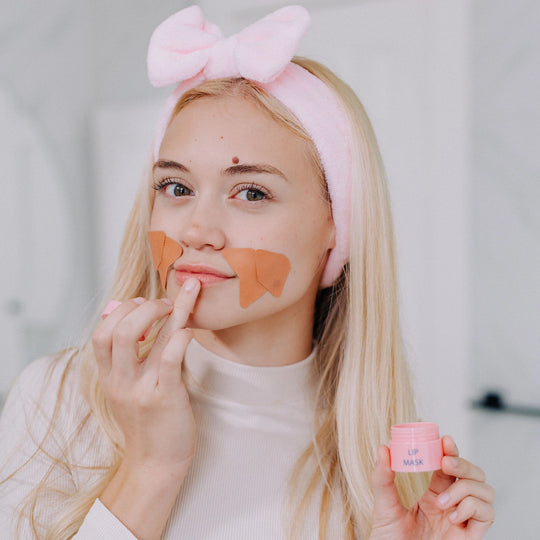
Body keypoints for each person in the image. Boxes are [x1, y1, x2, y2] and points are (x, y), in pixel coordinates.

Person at [0, 5, 495, 540]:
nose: (196, 230)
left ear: (338, 226)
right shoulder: (56, 398)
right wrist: (150, 468)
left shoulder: (380, 470)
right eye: (176, 188)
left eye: (251, 192)